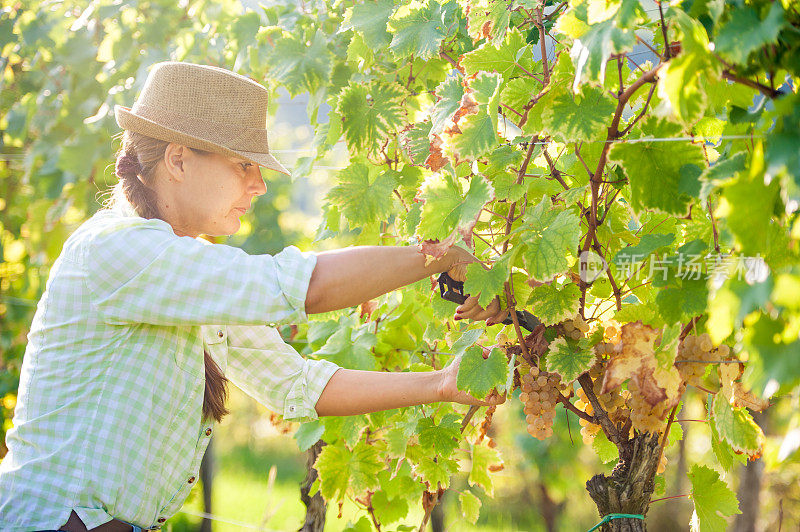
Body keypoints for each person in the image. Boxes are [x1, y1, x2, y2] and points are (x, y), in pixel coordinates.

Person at [0, 62, 507, 532]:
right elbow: (303, 286)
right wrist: (440, 255)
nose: (260, 186)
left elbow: (298, 386)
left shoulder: (180, 277)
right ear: (178, 160)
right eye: (244, 165)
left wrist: (443, 383)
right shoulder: (120, 251)